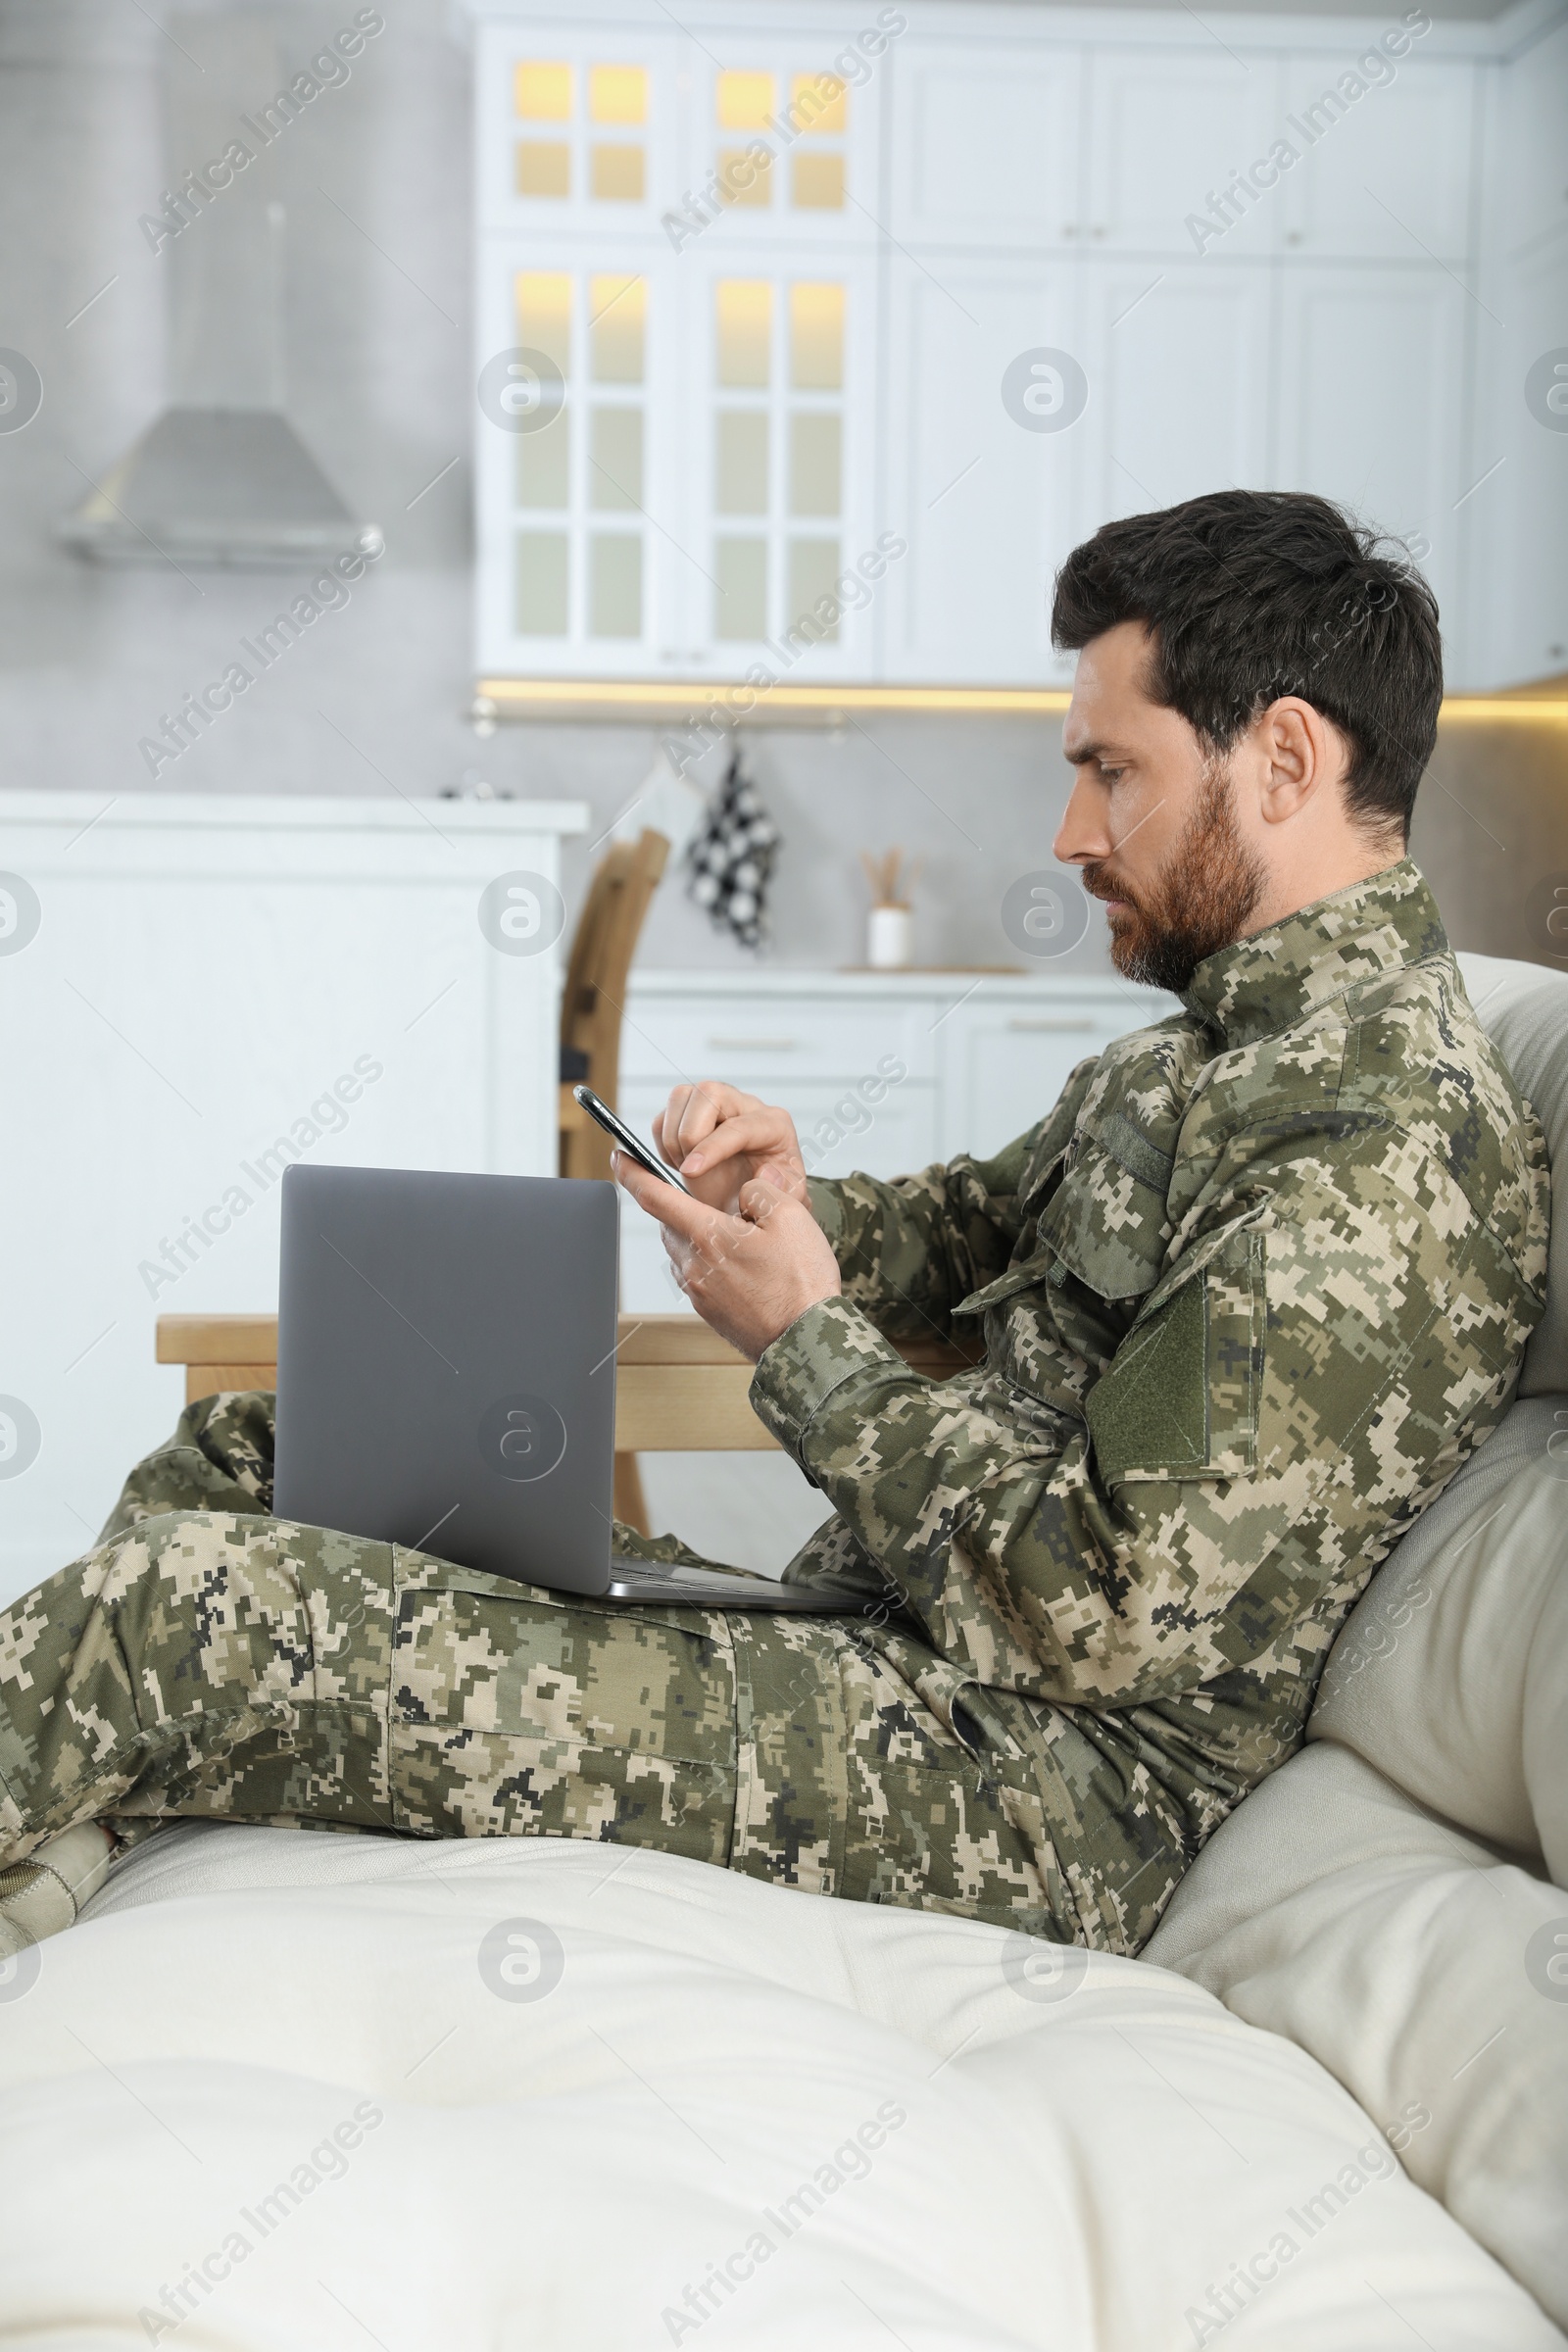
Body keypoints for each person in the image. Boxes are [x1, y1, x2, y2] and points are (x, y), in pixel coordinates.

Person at [0, 490, 1547, 1965]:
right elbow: (973, 1224)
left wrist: (802, 1342)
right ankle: (66, 1853)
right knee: (258, 1453)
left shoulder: (1374, 1145)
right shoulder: (1200, 1056)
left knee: (174, 1610)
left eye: (1113, 770)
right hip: (877, 1640)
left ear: (1282, 758)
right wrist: (788, 1203)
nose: (1072, 832)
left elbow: (1099, 1611)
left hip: (1023, 1787)